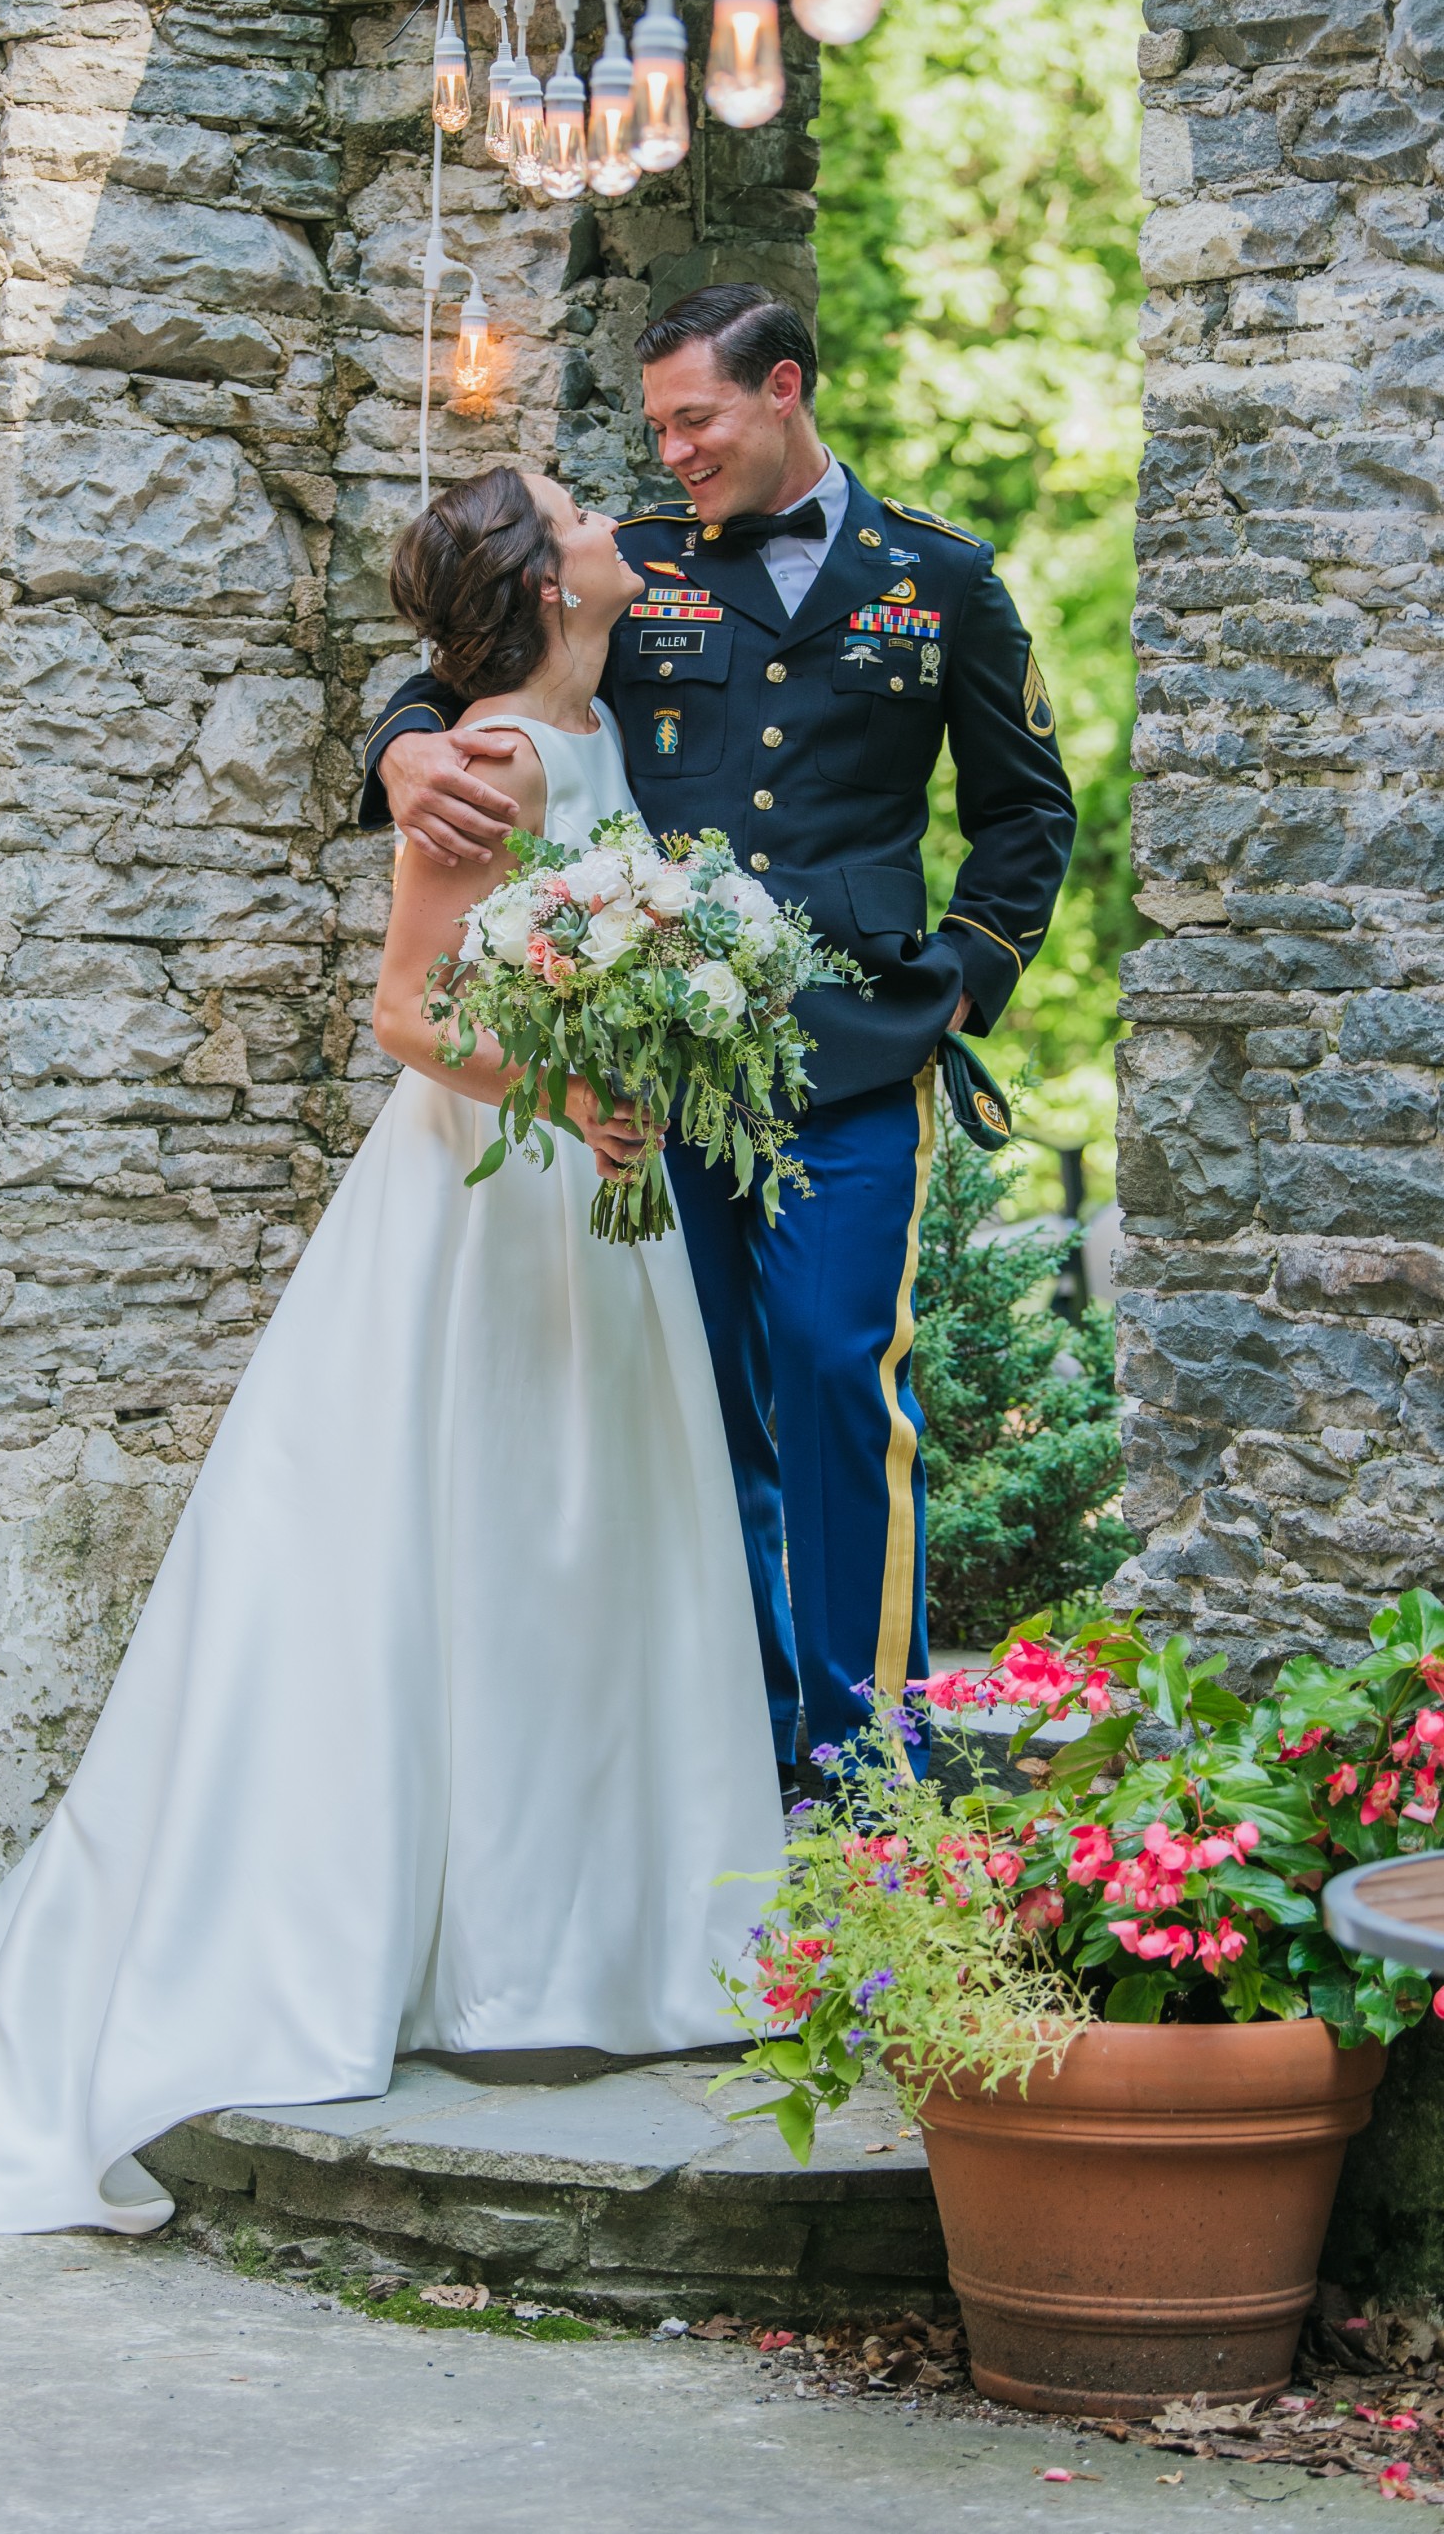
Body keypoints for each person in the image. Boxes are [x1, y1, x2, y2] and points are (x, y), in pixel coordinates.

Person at [0, 466, 782, 2237]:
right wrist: (583, 1093)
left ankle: (573, 1945)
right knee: (461, 1541)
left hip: (594, 1196)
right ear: (539, 583)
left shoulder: (585, 730)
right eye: (571, 501)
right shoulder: (497, 761)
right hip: (487, 1199)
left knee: (591, 1544)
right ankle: (436, 1948)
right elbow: (407, 1012)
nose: (609, 504)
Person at [360, 285, 1076, 1785]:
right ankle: (749, 1755)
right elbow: (464, 660)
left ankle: (869, 1758)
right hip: (658, 1073)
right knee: (703, 1401)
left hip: (857, 1062)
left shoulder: (940, 578)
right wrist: (402, 743)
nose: (673, 451)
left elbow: (1025, 812)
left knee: (833, 1371)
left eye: (695, 419)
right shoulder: (629, 565)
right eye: (658, 426)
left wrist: (959, 983)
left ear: (784, 391)